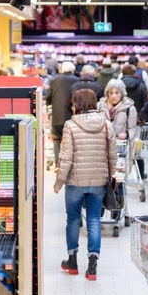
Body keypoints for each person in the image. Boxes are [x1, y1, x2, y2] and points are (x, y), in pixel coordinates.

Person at [55, 89, 117, 282]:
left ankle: (72, 261)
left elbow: (66, 157)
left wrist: (59, 181)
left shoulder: (70, 125)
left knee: (73, 220)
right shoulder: (106, 125)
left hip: (75, 182)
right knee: (93, 221)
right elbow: (113, 155)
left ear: (77, 104)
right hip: (98, 182)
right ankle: (92, 265)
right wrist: (111, 174)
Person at [99, 79, 138, 197]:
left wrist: (126, 134)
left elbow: (133, 129)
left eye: (117, 93)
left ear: (122, 93)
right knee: (102, 178)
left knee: (119, 178)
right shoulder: (100, 106)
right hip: (102, 147)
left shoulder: (129, 108)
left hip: (120, 149)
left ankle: (118, 205)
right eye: (111, 93)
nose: (114, 96)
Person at [45, 61, 79, 170]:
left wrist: (48, 103)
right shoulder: (76, 81)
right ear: (72, 69)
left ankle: (57, 164)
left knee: (56, 139)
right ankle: (69, 165)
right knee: (71, 140)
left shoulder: (54, 80)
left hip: (57, 115)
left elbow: (49, 98)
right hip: (71, 116)